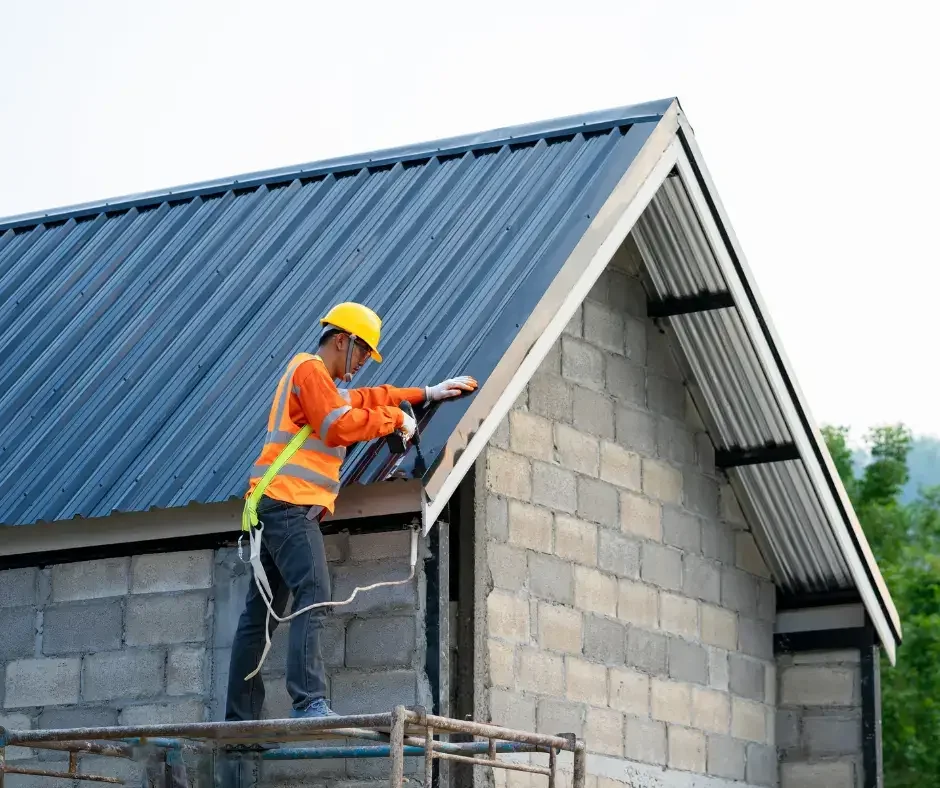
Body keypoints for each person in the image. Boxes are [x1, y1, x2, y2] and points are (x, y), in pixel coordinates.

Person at [225, 302, 477, 721]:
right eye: (362, 353)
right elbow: (337, 425)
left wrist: (424, 394)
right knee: (314, 594)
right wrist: (393, 420)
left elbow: (367, 397)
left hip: (273, 506)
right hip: (289, 505)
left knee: (258, 615)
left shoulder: (318, 381)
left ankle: (239, 720)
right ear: (342, 339)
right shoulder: (308, 370)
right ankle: (308, 702)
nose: (362, 362)